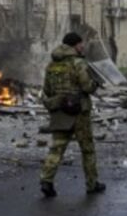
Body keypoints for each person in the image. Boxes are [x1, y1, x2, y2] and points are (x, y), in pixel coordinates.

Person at [38, 31, 105, 197]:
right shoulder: (79, 63)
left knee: (57, 148)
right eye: (81, 44)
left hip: (60, 110)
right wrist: (96, 83)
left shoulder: (52, 65)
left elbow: (47, 90)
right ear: (75, 45)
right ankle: (92, 184)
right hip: (79, 111)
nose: (83, 47)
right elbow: (87, 87)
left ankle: (46, 180)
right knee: (87, 149)